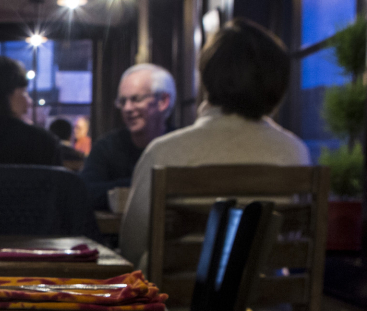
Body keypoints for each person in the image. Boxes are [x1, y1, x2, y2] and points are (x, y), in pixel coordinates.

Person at [119, 18, 309, 271]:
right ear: (278, 83)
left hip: (175, 308)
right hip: (267, 306)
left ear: (207, 77)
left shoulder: (165, 152)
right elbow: (292, 242)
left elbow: (132, 248)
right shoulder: (295, 151)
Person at [79, 64, 176, 210]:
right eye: (122, 101)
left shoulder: (180, 146)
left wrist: (120, 189)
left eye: (136, 99)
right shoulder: (106, 147)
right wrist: (151, 185)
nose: (127, 108)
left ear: (163, 101)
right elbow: (85, 191)